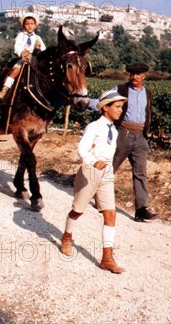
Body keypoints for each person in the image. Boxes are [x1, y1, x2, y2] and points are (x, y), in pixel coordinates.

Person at [60, 89, 128, 274]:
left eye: (121, 107)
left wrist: (108, 169)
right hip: (90, 171)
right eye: (118, 107)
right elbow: (82, 150)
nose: (121, 110)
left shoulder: (114, 131)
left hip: (106, 173)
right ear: (105, 108)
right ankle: (67, 236)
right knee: (77, 211)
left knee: (110, 214)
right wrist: (92, 161)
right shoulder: (94, 127)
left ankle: (107, 258)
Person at [89, 62, 158, 222]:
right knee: (109, 167)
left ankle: (141, 210)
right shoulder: (121, 89)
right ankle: (96, 196)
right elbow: (104, 100)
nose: (135, 77)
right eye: (132, 74)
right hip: (122, 134)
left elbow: (147, 113)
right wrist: (87, 104)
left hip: (140, 137)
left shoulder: (147, 93)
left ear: (144, 76)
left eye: (139, 74)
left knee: (141, 173)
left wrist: (146, 135)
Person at [0, 15, 46, 101]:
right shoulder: (21, 35)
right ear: (23, 25)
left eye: (31, 24)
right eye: (27, 24)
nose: (29, 26)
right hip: (24, 59)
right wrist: (22, 52)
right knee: (15, 70)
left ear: (35, 25)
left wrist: (38, 49)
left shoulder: (38, 38)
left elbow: (44, 50)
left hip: (35, 60)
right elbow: (17, 46)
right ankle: (4, 90)